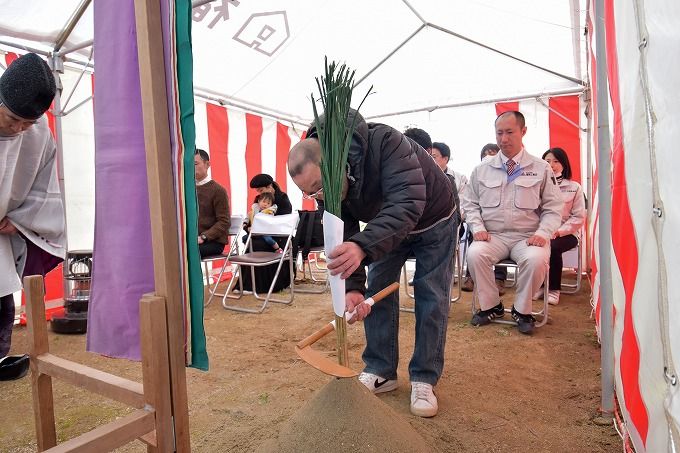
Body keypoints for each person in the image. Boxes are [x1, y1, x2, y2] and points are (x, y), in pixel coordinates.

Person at [288, 110, 458, 418]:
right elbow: (344, 228)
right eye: (309, 193)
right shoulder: (325, 182)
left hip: (434, 217)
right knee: (376, 288)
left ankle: (423, 378)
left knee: (430, 294)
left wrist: (363, 246)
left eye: (318, 187)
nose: (316, 196)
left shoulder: (386, 144)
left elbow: (408, 204)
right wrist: (354, 287)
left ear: (335, 163)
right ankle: (382, 370)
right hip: (387, 224)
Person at [462, 111, 562, 334]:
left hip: (527, 237)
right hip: (493, 235)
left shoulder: (540, 167)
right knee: (475, 254)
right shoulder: (482, 169)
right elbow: (469, 204)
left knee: (536, 260)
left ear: (523, 131)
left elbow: (554, 208)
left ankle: (522, 310)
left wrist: (543, 233)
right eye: (499, 133)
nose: (503, 139)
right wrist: (477, 228)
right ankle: (491, 306)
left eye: (509, 132)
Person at [0, 53, 65, 364]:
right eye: (13, 119)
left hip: (1, 233)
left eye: (29, 122)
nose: (20, 129)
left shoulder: (39, 134)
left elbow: (45, 189)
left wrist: (19, 222)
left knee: (1, 304)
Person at [536, 147, 586, 305]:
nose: (552, 164)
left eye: (556, 161)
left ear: (564, 164)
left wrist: (559, 231)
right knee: (534, 246)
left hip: (567, 234)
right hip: (543, 230)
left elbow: (578, 217)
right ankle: (539, 285)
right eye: (548, 161)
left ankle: (553, 289)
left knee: (553, 247)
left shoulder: (574, 187)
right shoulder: (537, 185)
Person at [462, 142, 507, 294]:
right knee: (471, 234)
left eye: (492, 155)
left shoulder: (508, 176)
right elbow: (469, 203)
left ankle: (499, 278)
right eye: (484, 156)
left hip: (501, 226)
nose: (488, 159)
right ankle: (471, 276)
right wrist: (477, 226)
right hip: (480, 223)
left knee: (505, 238)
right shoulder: (477, 174)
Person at [194, 149, 231, 258]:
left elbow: (224, 222)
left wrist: (204, 237)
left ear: (207, 164)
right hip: (193, 240)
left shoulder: (218, 190)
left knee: (186, 253)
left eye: (195, 164)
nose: (192, 167)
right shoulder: (186, 189)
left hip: (213, 242)